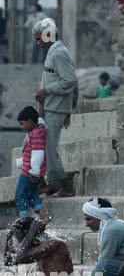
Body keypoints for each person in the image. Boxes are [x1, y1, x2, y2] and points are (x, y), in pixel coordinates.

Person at [33, 17, 77, 197]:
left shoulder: (58, 53)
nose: (37, 43)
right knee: (44, 147)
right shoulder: (52, 52)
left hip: (56, 108)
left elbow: (70, 80)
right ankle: (52, 184)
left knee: (50, 149)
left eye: (38, 38)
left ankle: (66, 186)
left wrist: (47, 91)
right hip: (52, 107)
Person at [15, 106, 46, 217]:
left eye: (22, 124)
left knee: (20, 196)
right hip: (32, 170)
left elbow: (38, 152)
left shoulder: (36, 134)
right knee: (32, 195)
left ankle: (25, 220)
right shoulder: (40, 128)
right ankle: (44, 217)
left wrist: (35, 170)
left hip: (29, 172)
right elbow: (41, 119)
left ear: (30, 121)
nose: (22, 127)